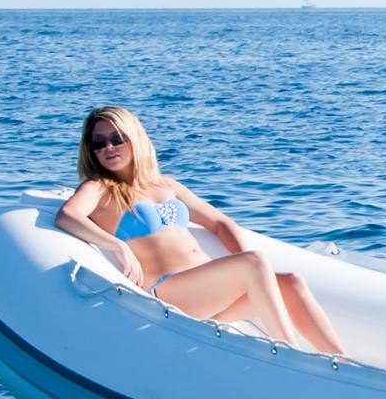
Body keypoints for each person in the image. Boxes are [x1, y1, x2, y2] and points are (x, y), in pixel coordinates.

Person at [54, 106, 347, 356]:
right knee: (254, 262)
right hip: (169, 293)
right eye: (98, 143)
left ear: (135, 139)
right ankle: (288, 353)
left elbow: (220, 223)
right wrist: (118, 246)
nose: (108, 148)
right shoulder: (100, 188)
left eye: (116, 139)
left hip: (208, 293)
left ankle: (341, 361)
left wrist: (250, 270)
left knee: (291, 282)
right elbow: (67, 216)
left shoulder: (166, 184)